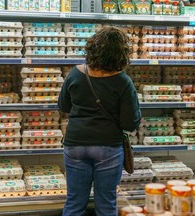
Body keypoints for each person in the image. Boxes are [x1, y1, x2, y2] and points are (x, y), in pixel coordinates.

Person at [58, 26, 141, 216]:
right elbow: (130, 123)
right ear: (121, 53)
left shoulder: (75, 73)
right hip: (108, 147)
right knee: (105, 204)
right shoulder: (123, 81)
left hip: (75, 144)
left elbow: (64, 106)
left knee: (74, 202)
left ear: (92, 48)